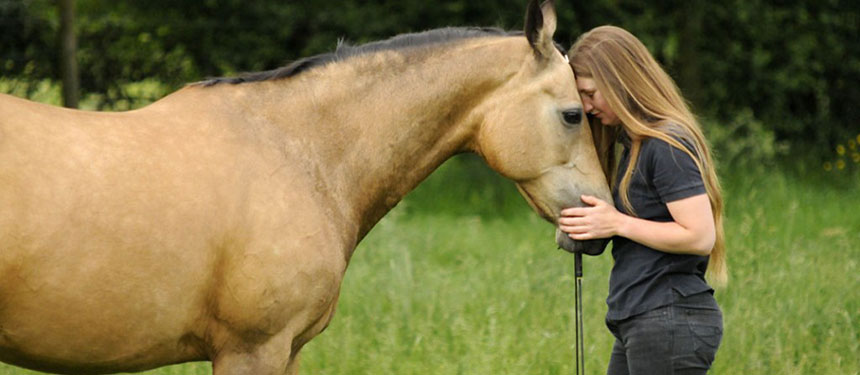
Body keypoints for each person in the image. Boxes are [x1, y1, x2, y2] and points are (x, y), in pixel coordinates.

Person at [559, 25, 727, 375]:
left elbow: (699, 236)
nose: (587, 107)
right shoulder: (634, 146)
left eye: (590, 93)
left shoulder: (664, 143)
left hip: (669, 319)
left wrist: (617, 222)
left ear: (621, 80)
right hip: (642, 318)